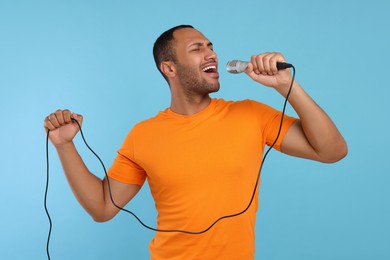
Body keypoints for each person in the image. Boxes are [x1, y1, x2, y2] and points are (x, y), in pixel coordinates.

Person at [43, 25, 347, 260]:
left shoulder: (251, 115)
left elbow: (332, 151)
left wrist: (287, 86)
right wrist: (64, 145)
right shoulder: (143, 134)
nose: (211, 54)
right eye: (197, 48)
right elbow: (102, 208)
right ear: (170, 68)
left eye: (211, 47)